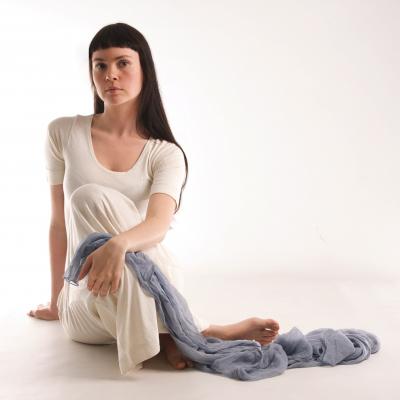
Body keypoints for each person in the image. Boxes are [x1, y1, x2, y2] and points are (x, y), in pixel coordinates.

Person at [27, 22, 280, 374]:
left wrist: (117, 246)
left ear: (145, 70)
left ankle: (170, 333)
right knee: (85, 199)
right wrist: (57, 301)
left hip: (142, 285)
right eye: (100, 65)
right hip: (86, 304)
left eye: (122, 63)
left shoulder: (165, 154)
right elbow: (59, 224)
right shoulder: (63, 132)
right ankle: (195, 332)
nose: (110, 75)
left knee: (131, 253)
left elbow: (158, 226)